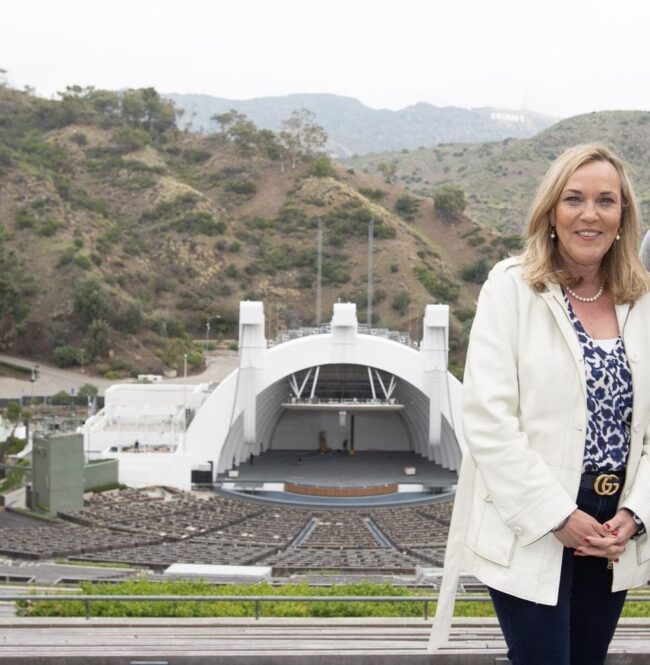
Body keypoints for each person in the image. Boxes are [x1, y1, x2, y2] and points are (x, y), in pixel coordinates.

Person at [430, 144, 650, 664]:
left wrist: (636, 514)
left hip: (612, 526)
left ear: (624, 217)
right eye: (574, 198)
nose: (590, 214)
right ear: (551, 211)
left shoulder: (641, 302)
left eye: (606, 201)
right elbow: (488, 420)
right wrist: (557, 515)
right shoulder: (511, 288)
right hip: (535, 521)